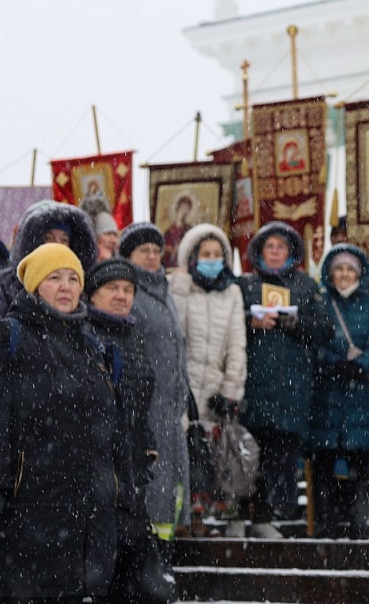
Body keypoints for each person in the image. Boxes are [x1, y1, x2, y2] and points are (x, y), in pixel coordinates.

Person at [0, 243, 133, 601]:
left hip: (90, 515)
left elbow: (115, 432)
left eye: (73, 278)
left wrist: (125, 497)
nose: (66, 287)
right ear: (35, 285)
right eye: (54, 278)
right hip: (28, 512)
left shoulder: (94, 347)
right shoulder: (9, 339)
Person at [237, 221, 332, 538]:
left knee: (281, 456)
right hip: (252, 383)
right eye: (270, 246)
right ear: (259, 252)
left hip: (291, 387)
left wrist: (291, 322)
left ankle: (273, 515)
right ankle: (245, 512)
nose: (275, 252)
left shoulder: (305, 286)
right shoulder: (245, 285)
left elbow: (323, 330)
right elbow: (227, 326)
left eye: (281, 247)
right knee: (248, 453)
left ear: (290, 252)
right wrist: (250, 322)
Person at [309, 243, 369, 538]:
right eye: (339, 270)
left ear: (358, 273)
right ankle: (326, 526)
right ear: (330, 274)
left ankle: (357, 524)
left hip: (362, 397)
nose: (344, 275)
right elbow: (313, 344)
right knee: (325, 463)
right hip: (328, 395)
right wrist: (334, 363)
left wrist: (360, 364)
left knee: (359, 465)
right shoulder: (320, 303)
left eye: (349, 269)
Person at [84, 258, 161, 588]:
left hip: (132, 461)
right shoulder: (86, 333)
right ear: (93, 295)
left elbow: (141, 400)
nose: (121, 295)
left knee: (130, 548)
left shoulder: (133, 334)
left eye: (128, 289)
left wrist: (147, 441)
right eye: (112, 288)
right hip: (98, 460)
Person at [169, 223, 248, 537]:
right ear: (192, 256)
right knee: (181, 454)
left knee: (209, 459)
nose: (212, 259)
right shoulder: (179, 287)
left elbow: (236, 345)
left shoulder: (232, 292)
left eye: (217, 255)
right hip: (183, 388)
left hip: (215, 388)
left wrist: (230, 390)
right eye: (206, 254)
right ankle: (179, 520)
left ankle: (201, 520)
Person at [120, 222, 191, 548]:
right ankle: (150, 558)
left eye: (155, 250)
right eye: (142, 251)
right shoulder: (129, 292)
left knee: (171, 488)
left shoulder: (164, 291)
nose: (151, 257)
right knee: (154, 487)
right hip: (146, 409)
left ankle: (164, 556)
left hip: (171, 411)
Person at [0, 199, 98, 321]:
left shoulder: (78, 286)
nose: (57, 245)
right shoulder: (1, 284)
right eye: (48, 238)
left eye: (64, 240)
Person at [80, 191, 120, 262]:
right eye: (107, 233)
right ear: (93, 235)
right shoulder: (81, 264)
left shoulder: (122, 264)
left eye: (115, 235)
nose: (113, 240)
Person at [162, 195, 194, 269]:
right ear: (177, 208)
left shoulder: (189, 229)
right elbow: (163, 247)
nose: (183, 211)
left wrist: (181, 248)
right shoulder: (169, 231)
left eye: (186, 209)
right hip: (168, 266)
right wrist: (170, 249)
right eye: (182, 207)